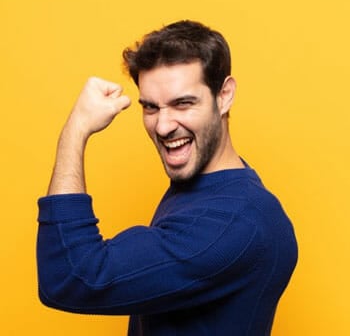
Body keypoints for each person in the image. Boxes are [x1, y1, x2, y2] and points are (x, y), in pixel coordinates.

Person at [36, 20, 298, 335]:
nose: (162, 126)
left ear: (224, 95)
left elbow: (68, 277)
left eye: (182, 104)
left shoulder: (232, 222)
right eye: (150, 107)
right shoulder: (207, 190)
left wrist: (75, 131)